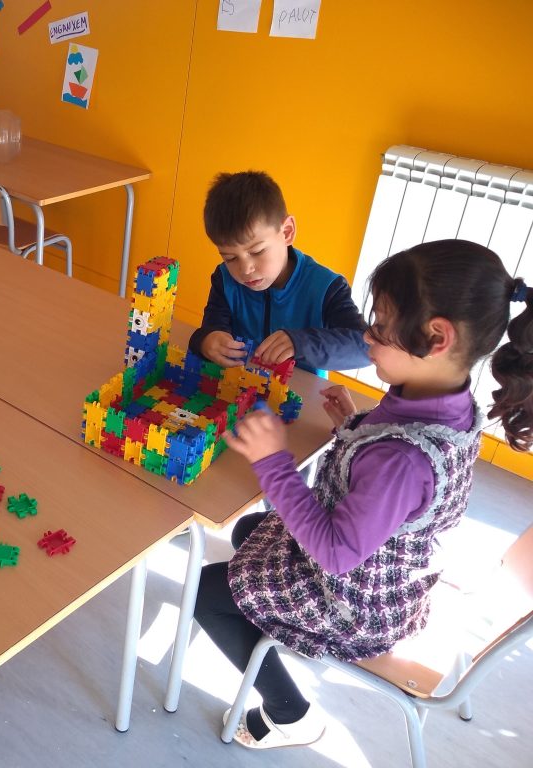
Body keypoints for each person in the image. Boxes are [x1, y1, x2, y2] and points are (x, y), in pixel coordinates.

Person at [193, 239, 533, 749]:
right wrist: (352, 426)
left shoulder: (403, 460)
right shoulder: (446, 398)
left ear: (436, 337)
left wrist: (273, 462)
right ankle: (279, 630)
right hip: (387, 570)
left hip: (359, 606)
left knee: (206, 593)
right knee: (248, 528)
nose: (366, 337)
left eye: (380, 325)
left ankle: (290, 713)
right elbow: (390, 480)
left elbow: (335, 551)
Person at [188, 171, 370, 374]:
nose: (245, 269)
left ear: (287, 232)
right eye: (230, 258)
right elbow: (212, 327)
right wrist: (206, 341)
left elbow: (366, 348)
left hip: (301, 390)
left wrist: (301, 343)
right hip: (238, 384)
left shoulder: (327, 288)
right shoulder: (225, 279)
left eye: (257, 251)